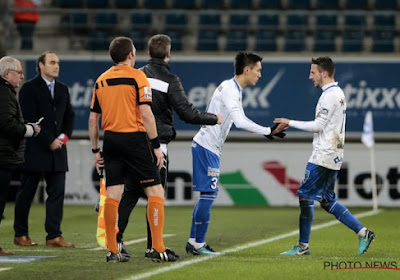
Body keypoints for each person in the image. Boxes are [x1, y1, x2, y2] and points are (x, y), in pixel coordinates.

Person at [116, 34, 223, 258]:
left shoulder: (138, 75)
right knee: (155, 196)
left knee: (131, 193)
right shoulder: (169, 80)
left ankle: (116, 242)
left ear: (148, 53)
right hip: (156, 145)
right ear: (168, 53)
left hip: (133, 142)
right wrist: (215, 118)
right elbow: (187, 113)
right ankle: (153, 246)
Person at [89, 36, 180, 263]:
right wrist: (156, 146)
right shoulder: (138, 76)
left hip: (111, 140)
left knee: (113, 195)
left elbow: (93, 120)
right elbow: (147, 114)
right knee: (155, 193)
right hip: (135, 140)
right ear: (130, 55)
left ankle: (112, 249)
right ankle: (157, 248)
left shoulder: (101, 80)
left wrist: (95, 151)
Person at [186, 52, 287, 256]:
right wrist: (267, 131)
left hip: (208, 146)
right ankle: (198, 244)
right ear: (247, 69)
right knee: (209, 195)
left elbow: (237, 119)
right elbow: (240, 122)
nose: (260, 75)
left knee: (207, 194)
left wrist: (265, 132)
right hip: (206, 146)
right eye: (258, 70)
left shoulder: (233, 88)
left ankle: (193, 242)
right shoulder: (231, 90)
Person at [275, 56, 375, 256]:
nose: (310, 76)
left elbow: (318, 126)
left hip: (324, 155)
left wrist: (289, 122)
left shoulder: (330, 95)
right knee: (327, 201)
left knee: (305, 195)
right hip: (332, 154)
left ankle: (303, 246)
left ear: (324, 73)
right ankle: (363, 232)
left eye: (313, 72)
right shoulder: (334, 93)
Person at [14, 51, 75, 248]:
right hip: (35, 150)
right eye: (52, 62)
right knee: (26, 193)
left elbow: (69, 117)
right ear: (41, 65)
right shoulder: (29, 89)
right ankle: (20, 234)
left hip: (58, 151)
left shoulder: (63, 89)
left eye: (57, 63)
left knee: (57, 194)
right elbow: (27, 118)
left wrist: (63, 138)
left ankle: (54, 236)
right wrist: (49, 140)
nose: (56, 66)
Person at [0, 56, 41, 255]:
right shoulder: (3, 93)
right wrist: (30, 130)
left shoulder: (6, 92)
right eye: (18, 72)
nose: (22, 76)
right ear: (7, 74)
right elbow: (7, 125)